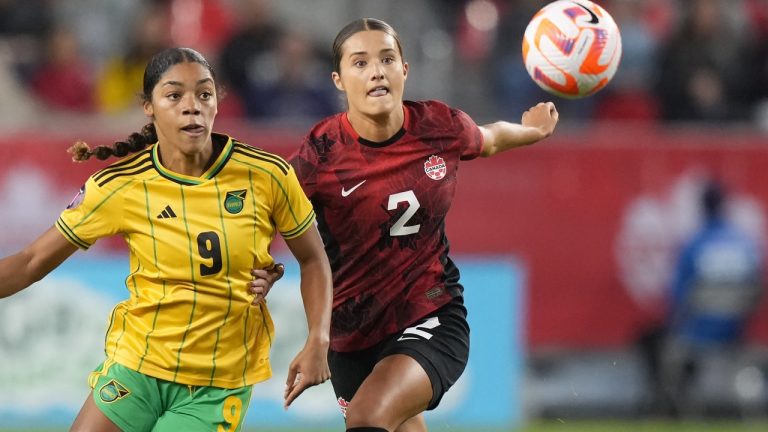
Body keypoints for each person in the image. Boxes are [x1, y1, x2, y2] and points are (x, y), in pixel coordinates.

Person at [0, 47, 332, 431]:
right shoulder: (119, 186)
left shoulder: (268, 175)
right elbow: (31, 261)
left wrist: (317, 340)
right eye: (174, 95)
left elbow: (313, 259)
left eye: (204, 94)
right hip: (137, 366)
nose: (192, 106)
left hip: (214, 385)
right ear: (149, 107)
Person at [288, 18, 559, 432]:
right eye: (360, 63)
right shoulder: (320, 153)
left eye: (387, 59)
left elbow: (490, 139)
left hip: (429, 312)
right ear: (339, 80)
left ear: (404, 70)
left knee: (367, 417)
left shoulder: (438, 126)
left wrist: (532, 130)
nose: (376, 70)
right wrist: (260, 267)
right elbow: (269, 214)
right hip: (351, 337)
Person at [660, 179, 764, 416]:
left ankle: (687, 414)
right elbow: (757, 289)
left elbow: (676, 295)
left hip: (698, 334)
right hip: (735, 333)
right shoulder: (745, 242)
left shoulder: (694, 243)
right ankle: (751, 416)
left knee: (668, 351)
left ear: (702, 206)